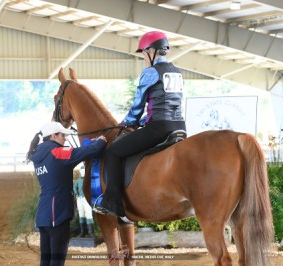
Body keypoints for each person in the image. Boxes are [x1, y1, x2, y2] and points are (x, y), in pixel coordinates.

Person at [93, 31, 186, 217]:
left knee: (113, 152)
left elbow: (138, 105)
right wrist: (145, 120)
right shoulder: (177, 72)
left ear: (152, 51)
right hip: (179, 126)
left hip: (158, 128)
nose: (144, 57)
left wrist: (128, 122)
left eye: (144, 53)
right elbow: (167, 103)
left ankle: (113, 203)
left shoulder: (150, 72)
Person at [26, 121, 107, 266]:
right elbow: (84, 153)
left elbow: (71, 157)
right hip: (57, 215)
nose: (65, 138)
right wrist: (101, 142)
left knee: (46, 260)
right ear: (53, 136)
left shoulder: (38, 155)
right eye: (62, 135)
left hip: (44, 215)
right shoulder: (57, 153)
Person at [73, 166, 95, 238]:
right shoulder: (78, 180)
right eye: (81, 171)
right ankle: (82, 232)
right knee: (81, 214)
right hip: (79, 199)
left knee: (88, 214)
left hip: (87, 199)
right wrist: (76, 193)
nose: (82, 172)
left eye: (83, 170)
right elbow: (74, 188)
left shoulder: (89, 180)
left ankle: (91, 232)